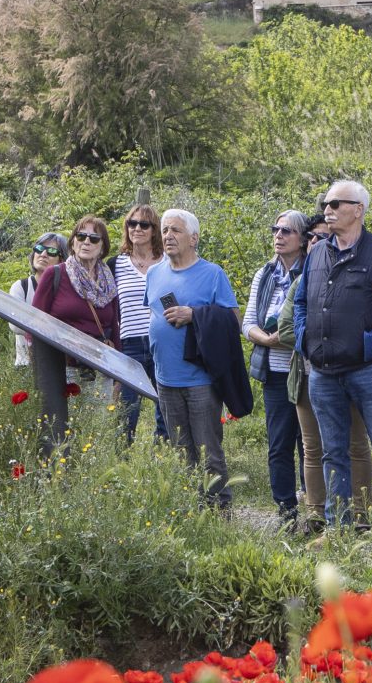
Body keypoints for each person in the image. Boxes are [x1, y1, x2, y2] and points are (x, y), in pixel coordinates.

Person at [295, 179, 372, 543]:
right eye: (325, 204)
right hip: (323, 371)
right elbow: (301, 302)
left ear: (358, 210)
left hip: (368, 370)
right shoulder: (316, 252)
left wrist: (371, 344)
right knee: (333, 452)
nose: (327, 210)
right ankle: (338, 528)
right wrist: (305, 339)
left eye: (335, 204)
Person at [144, 208, 238, 507]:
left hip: (200, 379)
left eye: (175, 230)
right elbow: (154, 314)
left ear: (194, 238)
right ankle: (193, 511)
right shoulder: (154, 272)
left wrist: (195, 315)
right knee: (180, 449)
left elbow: (233, 321)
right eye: (165, 230)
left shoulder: (212, 274)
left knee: (208, 450)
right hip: (165, 378)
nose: (168, 236)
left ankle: (219, 512)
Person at [16, 220, 122, 451]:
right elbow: (35, 326)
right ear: (73, 242)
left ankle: (94, 480)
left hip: (99, 369)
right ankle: (62, 479)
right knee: (64, 433)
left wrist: (118, 376)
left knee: (96, 433)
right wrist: (40, 372)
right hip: (64, 369)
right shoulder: (56, 275)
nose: (86, 242)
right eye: (81, 236)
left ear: (103, 247)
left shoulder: (108, 281)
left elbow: (114, 326)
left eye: (94, 238)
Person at [244, 210, 311, 526]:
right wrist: (269, 340)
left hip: (306, 369)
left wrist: (288, 337)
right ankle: (286, 510)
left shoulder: (312, 270)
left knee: (310, 443)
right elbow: (247, 324)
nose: (279, 236)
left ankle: (314, 508)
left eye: (287, 231)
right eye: (276, 229)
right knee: (280, 442)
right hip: (274, 370)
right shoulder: (265, 274)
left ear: (302, 239)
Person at [112, 206, 166, 444]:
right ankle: (121, 460)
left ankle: (162, 453)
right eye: (132, 223)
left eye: (144, 224)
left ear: (155, 229)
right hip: (129, 343)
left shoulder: (167, 261)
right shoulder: (116, 264)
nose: (137, 229)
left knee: (165, 402)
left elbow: (173, 298)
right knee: (127, 407)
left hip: (162, 341)